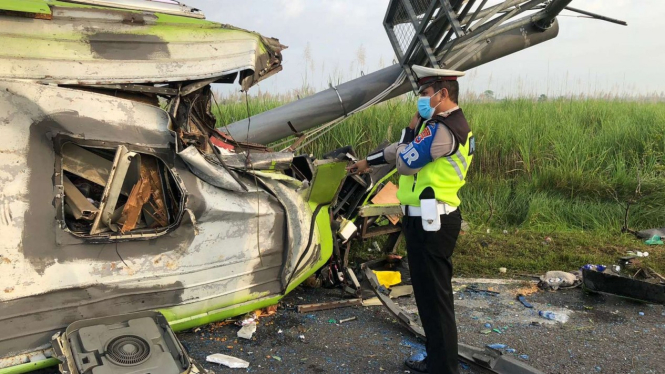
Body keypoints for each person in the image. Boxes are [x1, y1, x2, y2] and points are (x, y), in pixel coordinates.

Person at [348, 65, 474, 374]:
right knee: (428, 298)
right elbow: (397, 151)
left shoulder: (443, 129)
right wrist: (367, 162)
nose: (420, 99)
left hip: (434, 223)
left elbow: (405, 162)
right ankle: (437, 360)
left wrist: (408, 130)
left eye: (425, 93)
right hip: (424, 220)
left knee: (436, 299)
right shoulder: (442, 125)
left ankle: (443, 368)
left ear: (443, 94)